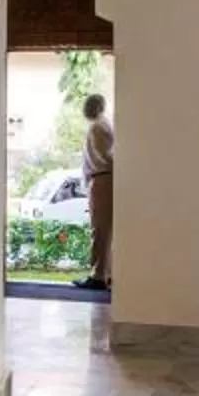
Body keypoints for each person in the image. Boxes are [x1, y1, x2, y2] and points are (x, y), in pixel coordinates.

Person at [74, 92, 114, 292]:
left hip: (102, 179)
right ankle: (105, 273)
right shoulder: (103, 125)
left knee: (100, 229)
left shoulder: (98, 127)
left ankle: (98, 275)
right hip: (102, 178)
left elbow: (105, 156)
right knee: (104, 229)